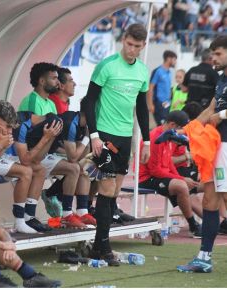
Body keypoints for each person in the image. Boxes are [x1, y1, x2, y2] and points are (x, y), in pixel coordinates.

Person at [82, 23, 151, 266]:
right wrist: (94, 135)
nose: (132, 50)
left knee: (114, 192)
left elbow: (142, 108)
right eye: (129, 44)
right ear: (124, 40)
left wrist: (146, 141)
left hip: (125, 137)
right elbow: (88, 101)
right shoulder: (107, 65)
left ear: (143, 46)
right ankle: (105, 247)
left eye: (137, 46)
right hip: (105, 135)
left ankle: (99, 246)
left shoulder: (142, 71)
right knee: (107, 189)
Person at [178, 35, 227, 273]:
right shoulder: (221, 78)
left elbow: (219, 113)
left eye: (218, 54)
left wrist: (223, 116)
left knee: (222, 197)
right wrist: (186, 130)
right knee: (211, 198)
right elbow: (211, 108)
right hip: (217, 146)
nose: (213, 58)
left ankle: (204, 256)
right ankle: (204, 257)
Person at [0, 113, 62, 233]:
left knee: (40, 170)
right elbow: (25, 160)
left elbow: (37, 159)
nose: (9, 131)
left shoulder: (34, 123)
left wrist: (51, 137)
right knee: (26, 171)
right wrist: (45, 138)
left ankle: (29, 217)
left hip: (7, 157)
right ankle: (19, 220)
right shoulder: (22, 124)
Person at [139, 111, 202, 238]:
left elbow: (169, 163)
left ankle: (217, 222)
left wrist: (181, 178)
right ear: (173, 124)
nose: (181, 133)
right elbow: (155, 170)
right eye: (180, 129)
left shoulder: (168, 137)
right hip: (147, 178)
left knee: (206, 184)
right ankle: (193, 226)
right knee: (182, 186)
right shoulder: (156, 137)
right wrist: (182, 178)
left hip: (161, 175)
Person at [148, 50, 177, 125]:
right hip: (159, 104)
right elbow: (150, 88)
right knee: (161, 126)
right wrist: (150, 104)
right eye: (174, 59)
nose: (175, 62)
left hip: (167, 104)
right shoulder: (158, 71)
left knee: (166, 126)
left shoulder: (169, 72)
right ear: (168, 59)